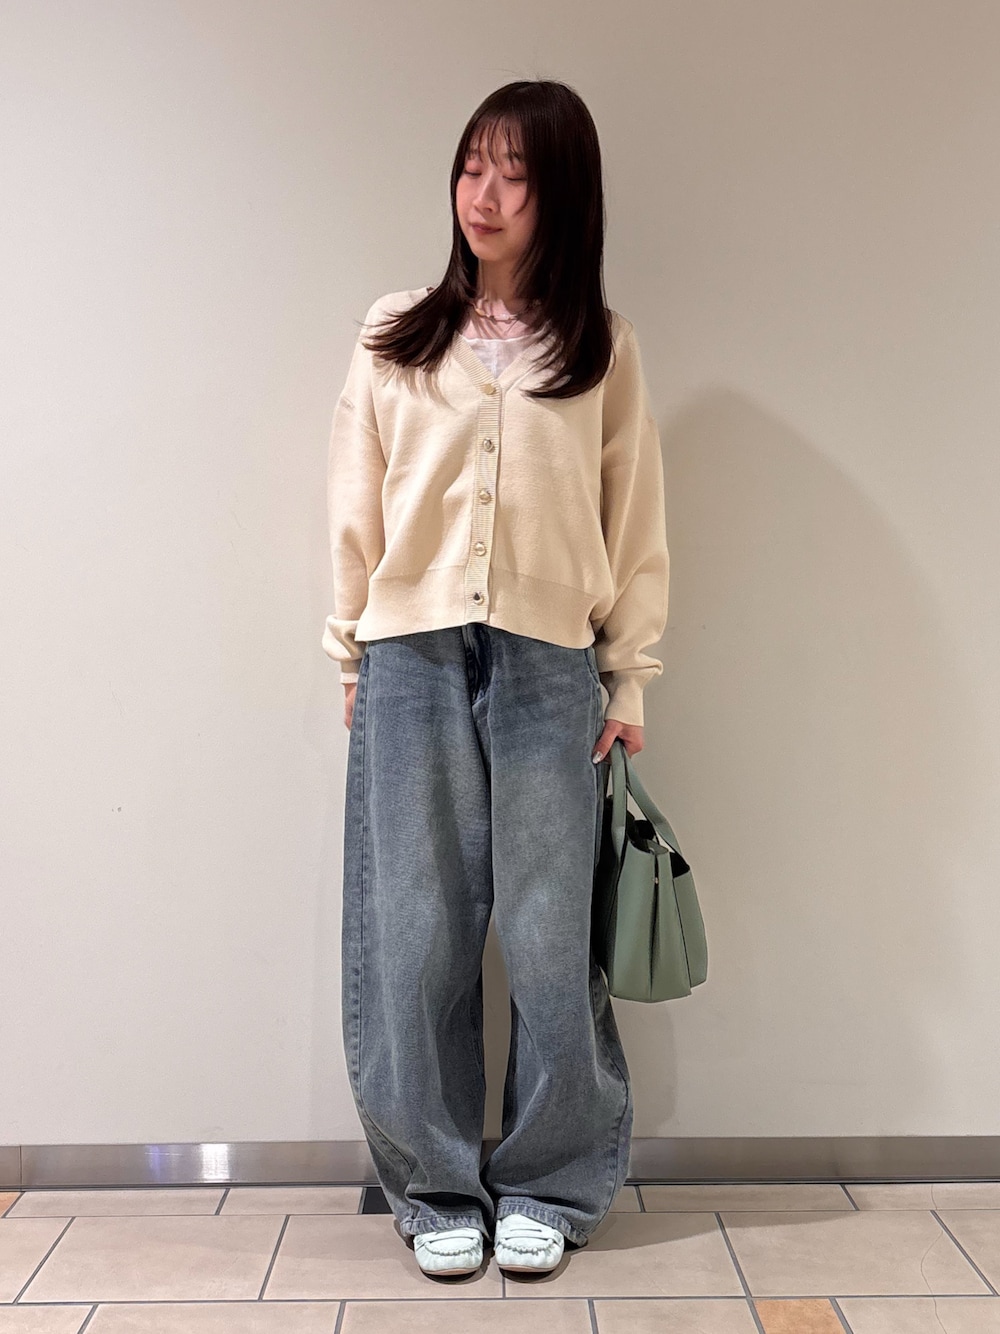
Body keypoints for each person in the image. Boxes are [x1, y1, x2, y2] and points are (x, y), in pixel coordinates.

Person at [322, 78, 669, 1280]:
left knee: (547, 929)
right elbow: (356, 503)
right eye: (473, 165)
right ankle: (432, 1185)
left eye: (516, 174)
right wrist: (352, 647)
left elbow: (633, 522)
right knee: (415, 931)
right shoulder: (396, 332)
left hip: (549, 664)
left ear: (561, 195)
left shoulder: (601, 348)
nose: (485, 193)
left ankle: (550, 1181)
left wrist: (628, 678)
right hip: (412, 657)